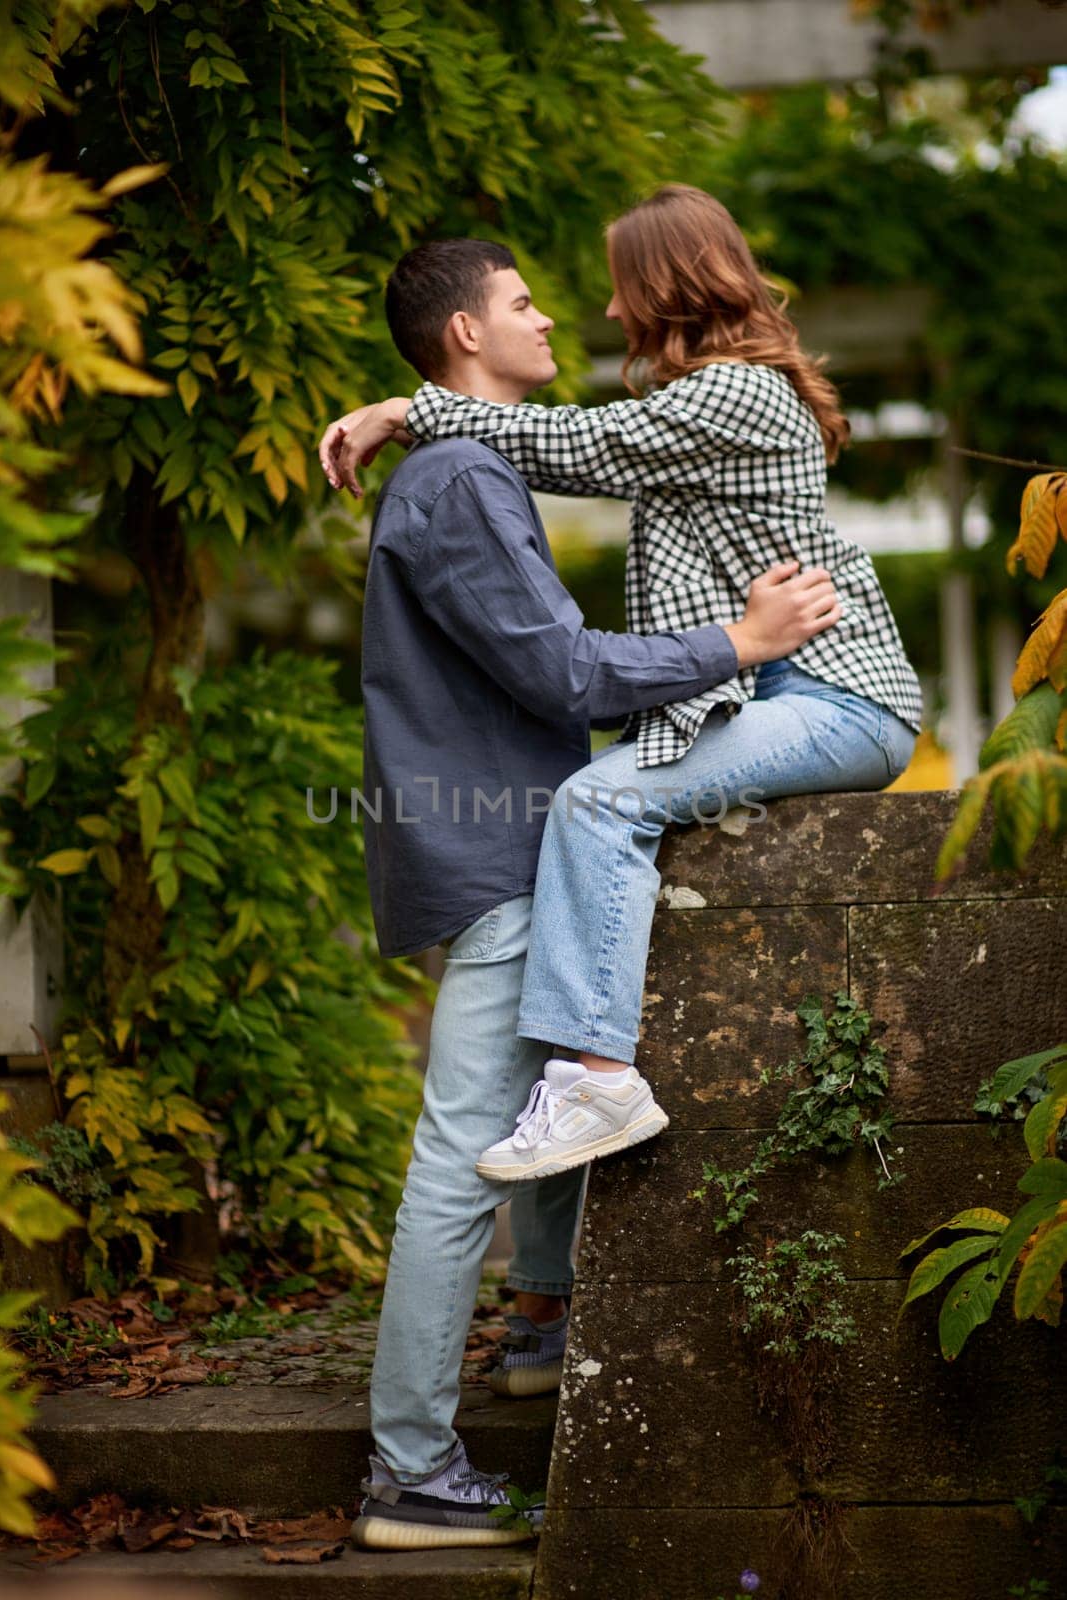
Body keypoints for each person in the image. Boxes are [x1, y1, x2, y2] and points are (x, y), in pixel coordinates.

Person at [331, 236, 841, 1550]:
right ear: (461, 336)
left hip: (505, 838)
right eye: (519, 303)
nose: (550, 316)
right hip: (499, 847)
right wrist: (739, 642)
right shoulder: (456, 478)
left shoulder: (465, 466)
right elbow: (560, 674)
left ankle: (533, 1341)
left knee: (545, 1103)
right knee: (463, 1154)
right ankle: (406, 1471)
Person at [320, 184, 921, 1187]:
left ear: (668, 285)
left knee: (597, 802)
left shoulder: (733, 392)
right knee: (611, 798)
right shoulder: (701, 404)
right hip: (783, 696)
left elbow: (576, 447)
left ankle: (598, 1078)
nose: (603, 313)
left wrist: (404, 406)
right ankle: (550, 1286)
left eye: (618, 289)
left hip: (836, 696)